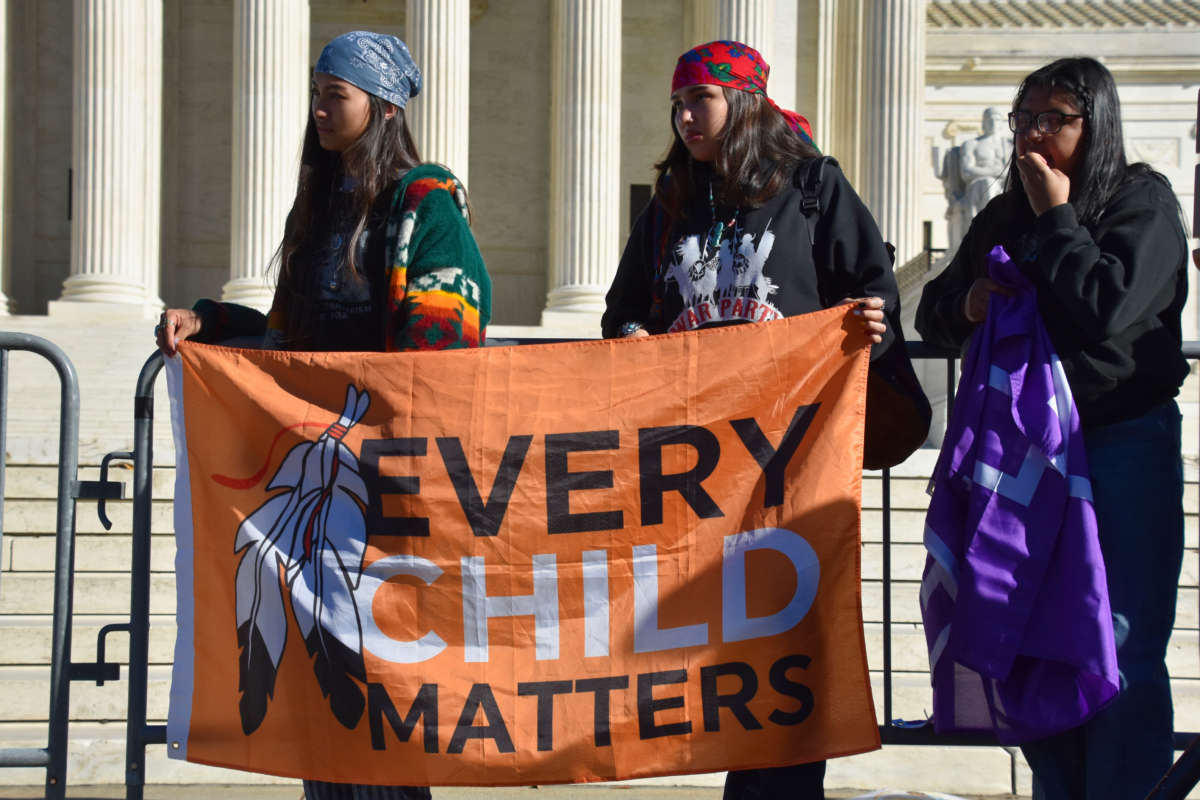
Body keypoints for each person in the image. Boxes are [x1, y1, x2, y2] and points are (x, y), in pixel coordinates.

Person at [156, 30, 491, 800]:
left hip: (387, 494)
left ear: (379, 105)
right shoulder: (319, 208)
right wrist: (210, 322)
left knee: (377, 700)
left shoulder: (424, 201)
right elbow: (290, 338)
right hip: (313, 487)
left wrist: (381, 427)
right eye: (315, 90)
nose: (316, 107)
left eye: (332, 93)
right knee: (323, 702)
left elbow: (444, 347)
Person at [602, 39, 906, 800]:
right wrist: (633, 340)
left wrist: (876, 321)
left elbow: (871, 287)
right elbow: (620, 309)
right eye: (676, 104)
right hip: (694, 468)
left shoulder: (812, 185)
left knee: (785, 638)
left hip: (790, 464)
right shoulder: (670, 199)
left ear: (742, 102)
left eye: (698, 99)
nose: (683, 116)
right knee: (711, 642)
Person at [915, 57, 1188, 800]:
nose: (1033, 134)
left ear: (1093, 125)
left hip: (1119, 444)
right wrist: (968, 304)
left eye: (1053, 119)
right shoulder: (1005, 214)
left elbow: (1107, 307)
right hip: (1026, 456)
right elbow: (931, 312)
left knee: (1121, 640)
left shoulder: (1144, 202)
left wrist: (1060, 218)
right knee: (1036, 635)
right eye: (1024, 118)